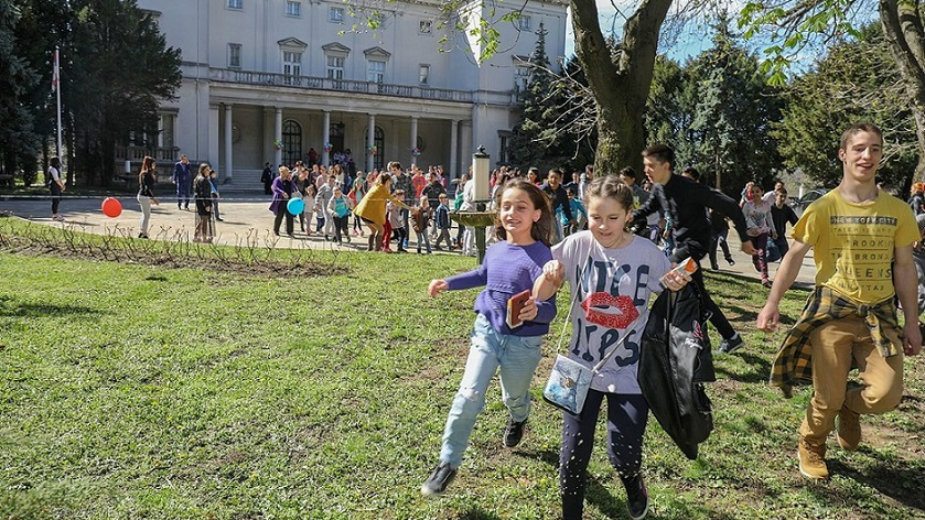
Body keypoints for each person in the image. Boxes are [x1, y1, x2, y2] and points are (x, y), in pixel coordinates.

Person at [756, 123, 922, 481]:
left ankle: (851, 405)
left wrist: (911, 322)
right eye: (859, 148)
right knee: (825, 396)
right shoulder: (822, 207)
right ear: (843, 154)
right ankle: (812, 442)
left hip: (880, 314)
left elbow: (906, 268)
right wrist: (772, 303)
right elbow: (793, 257)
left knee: (886, 395)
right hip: (832, 313)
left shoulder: (898, 210)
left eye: (875, 149)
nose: (867, 156)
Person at [533, 175, 690, 520]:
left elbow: (671, 297)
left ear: (629, 215)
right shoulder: (577, 245)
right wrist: (549, 277)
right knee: (572, 455)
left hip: (632, 372)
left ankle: (633, 484)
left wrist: (676, 285)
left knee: (624, 453)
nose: (603, 226)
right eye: (595, 217)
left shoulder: (647, 253)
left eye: (613, 218)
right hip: (580, 368)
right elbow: (540, 292)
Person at [420, 179, 557, 497]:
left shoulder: (543, 257)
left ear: (536, 215)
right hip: (487, 333)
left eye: (521, 207)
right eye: (506, 206)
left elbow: (548, 306)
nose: (511, 213)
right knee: (467, 395)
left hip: (523, 343)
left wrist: (536, 312)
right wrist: (448, 282)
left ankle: (518, 417)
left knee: (514, 396)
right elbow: (483, 275)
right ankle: (448, 463)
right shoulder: (495, 249)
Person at [632, 144, 756, 354]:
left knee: (668, 271)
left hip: (695, 246)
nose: (646, 170)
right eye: (645, 166)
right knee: (700, 295)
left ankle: (674, 331)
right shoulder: (660, 187)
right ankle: (730, 336)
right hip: (681, 245)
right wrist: (629, 216)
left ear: (666, 166)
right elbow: (649, 207)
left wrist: (744, 239)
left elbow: (732, 206)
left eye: (651, 165)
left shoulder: (689, 188)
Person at [353, 173, 409, 251]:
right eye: (390, 181)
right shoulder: (382, 189)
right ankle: (376, 250)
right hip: (368, 214)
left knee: (373, 230)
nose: (390, 183)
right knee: (381, 230)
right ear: (387, 181)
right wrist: (409, 207)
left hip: (362, 213)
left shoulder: (376, 186)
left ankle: (369, 249)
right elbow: (395, 201)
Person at [742, 183, 775, 287]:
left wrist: (773, 230)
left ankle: (764, 278)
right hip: (751, 232)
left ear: (762, 192)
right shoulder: (748, 205)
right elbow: (744, 219)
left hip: (762, 232)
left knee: (762, 252)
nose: (755, 194)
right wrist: (752, 228)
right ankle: (756, 262)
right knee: (755, 254)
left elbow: (769, 217)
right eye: (753, 192)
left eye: (757, 191)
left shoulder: (766, 205)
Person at [542, 169, 574, 243]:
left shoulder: (562, 192)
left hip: (552, 216)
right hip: (539, 216)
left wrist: (570, 218)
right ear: (548, 178)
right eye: (551, 177)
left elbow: (566, 207)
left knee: (555, 239)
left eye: (556, 178)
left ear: (560, 179)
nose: (553, 180)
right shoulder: (542, 189)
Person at [768, 189, 799, 262]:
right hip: (769, 237)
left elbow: (796, 222)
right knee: (774, 255)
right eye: (781, 196)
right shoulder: (769, 209)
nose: (783, 199)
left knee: (786, 258)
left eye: (785, 197)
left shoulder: (787, 209)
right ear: (775, 196)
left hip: (781, 237)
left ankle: (780, 272)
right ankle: (759, 259)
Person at [137, 156, 160, 239]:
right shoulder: (146, 174)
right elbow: (147, 188)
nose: (155, 166)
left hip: (142, 195)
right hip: (144, 196)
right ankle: (144, 233)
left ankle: (142, 231)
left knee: (144, 214)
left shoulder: (144, 173)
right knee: (146, 215)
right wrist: (153, 198)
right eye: (153, 164)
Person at [269, 166, 295, 237]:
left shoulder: (289, 180)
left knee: (290, 217)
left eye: (287, 173)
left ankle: (290, 232)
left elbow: (293, 188)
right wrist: (282, 192)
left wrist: (291, 182)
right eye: (284, 173)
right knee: (279, 216)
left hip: (289, 201)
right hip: (280, 201)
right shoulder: (277, 180)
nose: (286, 174)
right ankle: (276, 230)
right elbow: (275, 187)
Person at [192, 163, 214, 243]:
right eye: (207, 170)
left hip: (199, 202)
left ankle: (196, 236)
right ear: (203, 170)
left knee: (201, 220)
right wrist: (207, 204)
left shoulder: (197, 178)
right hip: (203, 202)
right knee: (204, 220)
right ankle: (204, 237)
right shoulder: (203, 180)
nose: (209, 171)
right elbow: (203, 193)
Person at [47, 157, 65, 221]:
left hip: (57, 186)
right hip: (54, 186)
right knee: (55, 201)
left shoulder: (56, 169)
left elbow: (59, 178)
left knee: (57, 200)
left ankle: (56, 214)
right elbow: (56, 179)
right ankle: (55, 215)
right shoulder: (52, 169)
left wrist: (62, 185)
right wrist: (61, 186)